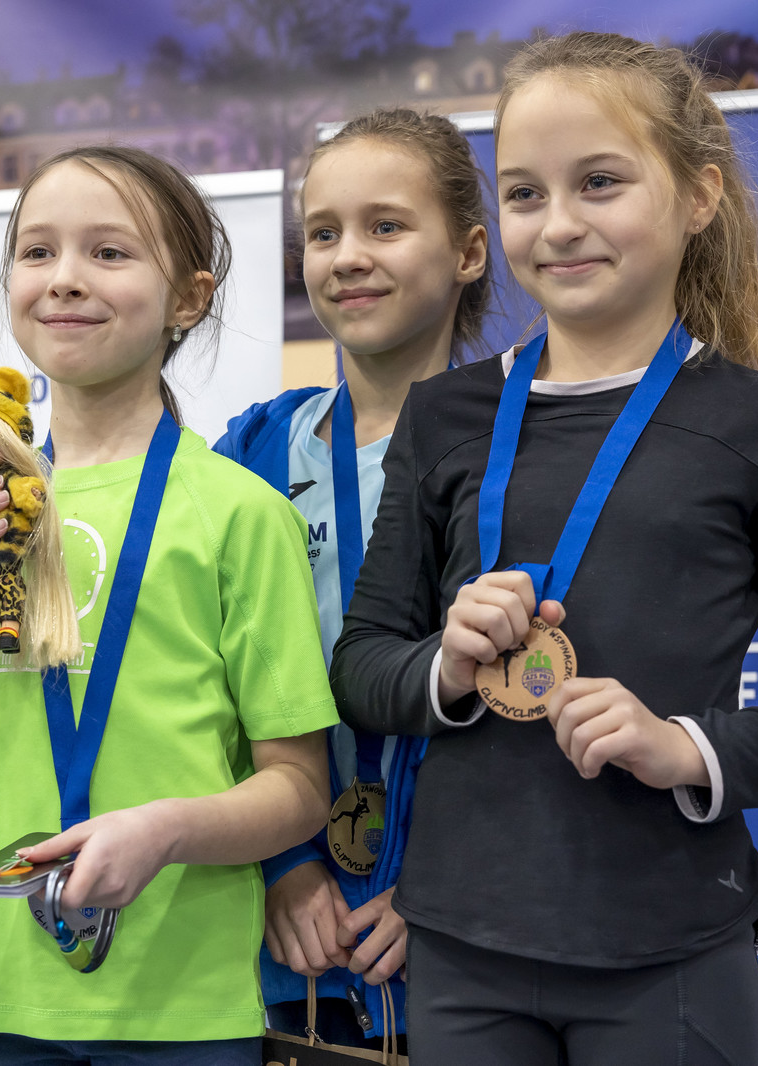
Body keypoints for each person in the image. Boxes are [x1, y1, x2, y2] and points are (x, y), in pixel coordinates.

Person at [330, 32, 758, 1066]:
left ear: (697, 196)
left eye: (599, 182)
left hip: (668, 946)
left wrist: (685, 748)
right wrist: (445, 668)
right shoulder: (444, 414)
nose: (558, 224)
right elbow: (363, 664)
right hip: (458, 945)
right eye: (524, 193)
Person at [0, 144, 338, 1066]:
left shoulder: (239, 513)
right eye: (37, 252)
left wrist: (165, 829)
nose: (65, 279)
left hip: (179, 999)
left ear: (189, 298)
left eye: (110, 252)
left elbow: (298, 792)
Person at [213, 108, 489, 1050]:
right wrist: (281, 862)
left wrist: (443, 882)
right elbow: (209, 686)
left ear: (469, 252)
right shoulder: (255, 450)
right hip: (296, 938)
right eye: (323, 233)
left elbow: (537, 696)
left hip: (473, 934)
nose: (347, 257)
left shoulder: (523, 446)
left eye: (386, 226)